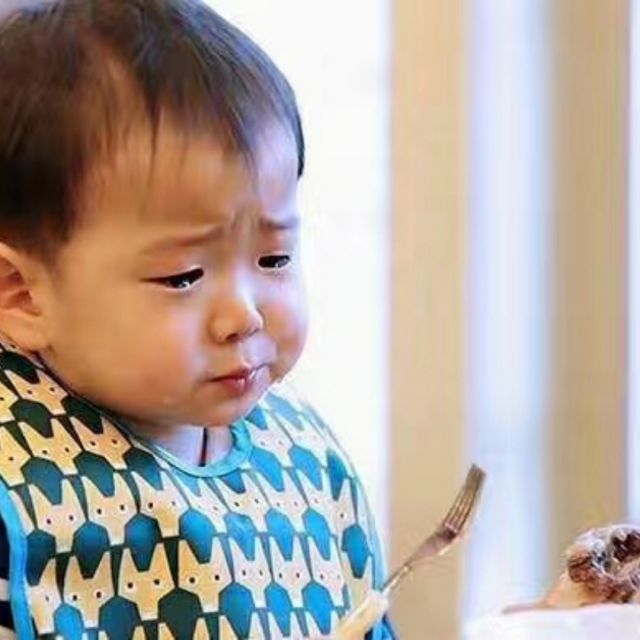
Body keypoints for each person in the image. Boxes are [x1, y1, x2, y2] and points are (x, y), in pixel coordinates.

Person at [0, 1, 395, 638]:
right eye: (183, 276)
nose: (243, 315)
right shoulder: (16, 483)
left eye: (274, 258)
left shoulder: (307, 466)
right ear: (21, 294)